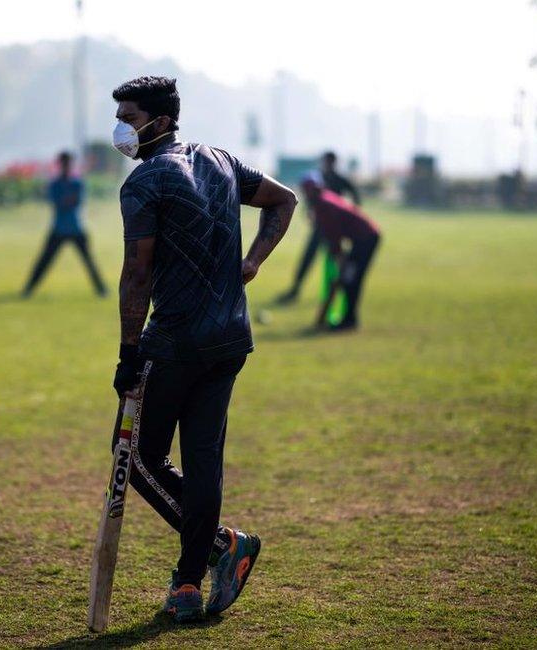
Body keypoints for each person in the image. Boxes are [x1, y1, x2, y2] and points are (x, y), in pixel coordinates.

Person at [110, 76, 298, 622]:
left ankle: (220, 547)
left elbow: (137, 273)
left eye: (129, 115)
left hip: (174, 343)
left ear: (161, 121)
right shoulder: (220, 160)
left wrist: (127, 353)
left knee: (140, 462)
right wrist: (254, 261)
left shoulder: (144, 183)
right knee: (202, 462)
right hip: (230, 339)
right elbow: (283, 201)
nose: (122, 127)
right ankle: (187, 588)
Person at [276, 150, 361, 304]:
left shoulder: (339, 179)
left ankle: (334, 296)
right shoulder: (318, 177)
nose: (326, 164)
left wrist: (348, 215)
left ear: (334, 162)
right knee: (307, 258)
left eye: (329, 161)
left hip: (334, 228)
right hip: (319, 228)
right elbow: (310, 201)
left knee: (334, 263)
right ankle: (295, 290)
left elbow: (355, 196)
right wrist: (309, 212)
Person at [22, 151, 107, 297]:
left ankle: (101, 290)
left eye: (68, 163)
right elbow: (59, 203)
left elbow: (75, 201)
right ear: (60, 164)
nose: (66, 166)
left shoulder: (76, 183)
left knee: (89, 262)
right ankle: (28, 289)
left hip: (76, 228)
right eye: (64, 163)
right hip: (59, 228)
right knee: (44, 261)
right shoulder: (56, 183)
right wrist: (68, 199)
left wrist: (66, 200)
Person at [309, 188, 381, 331]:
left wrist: (340, 260)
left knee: (351, 278)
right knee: (349, 278)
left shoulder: (323, 206)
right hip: (362, 239)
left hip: (365, 239)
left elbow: (335, 236)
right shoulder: (325, 198)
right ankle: (350, 319)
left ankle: (350, 320)